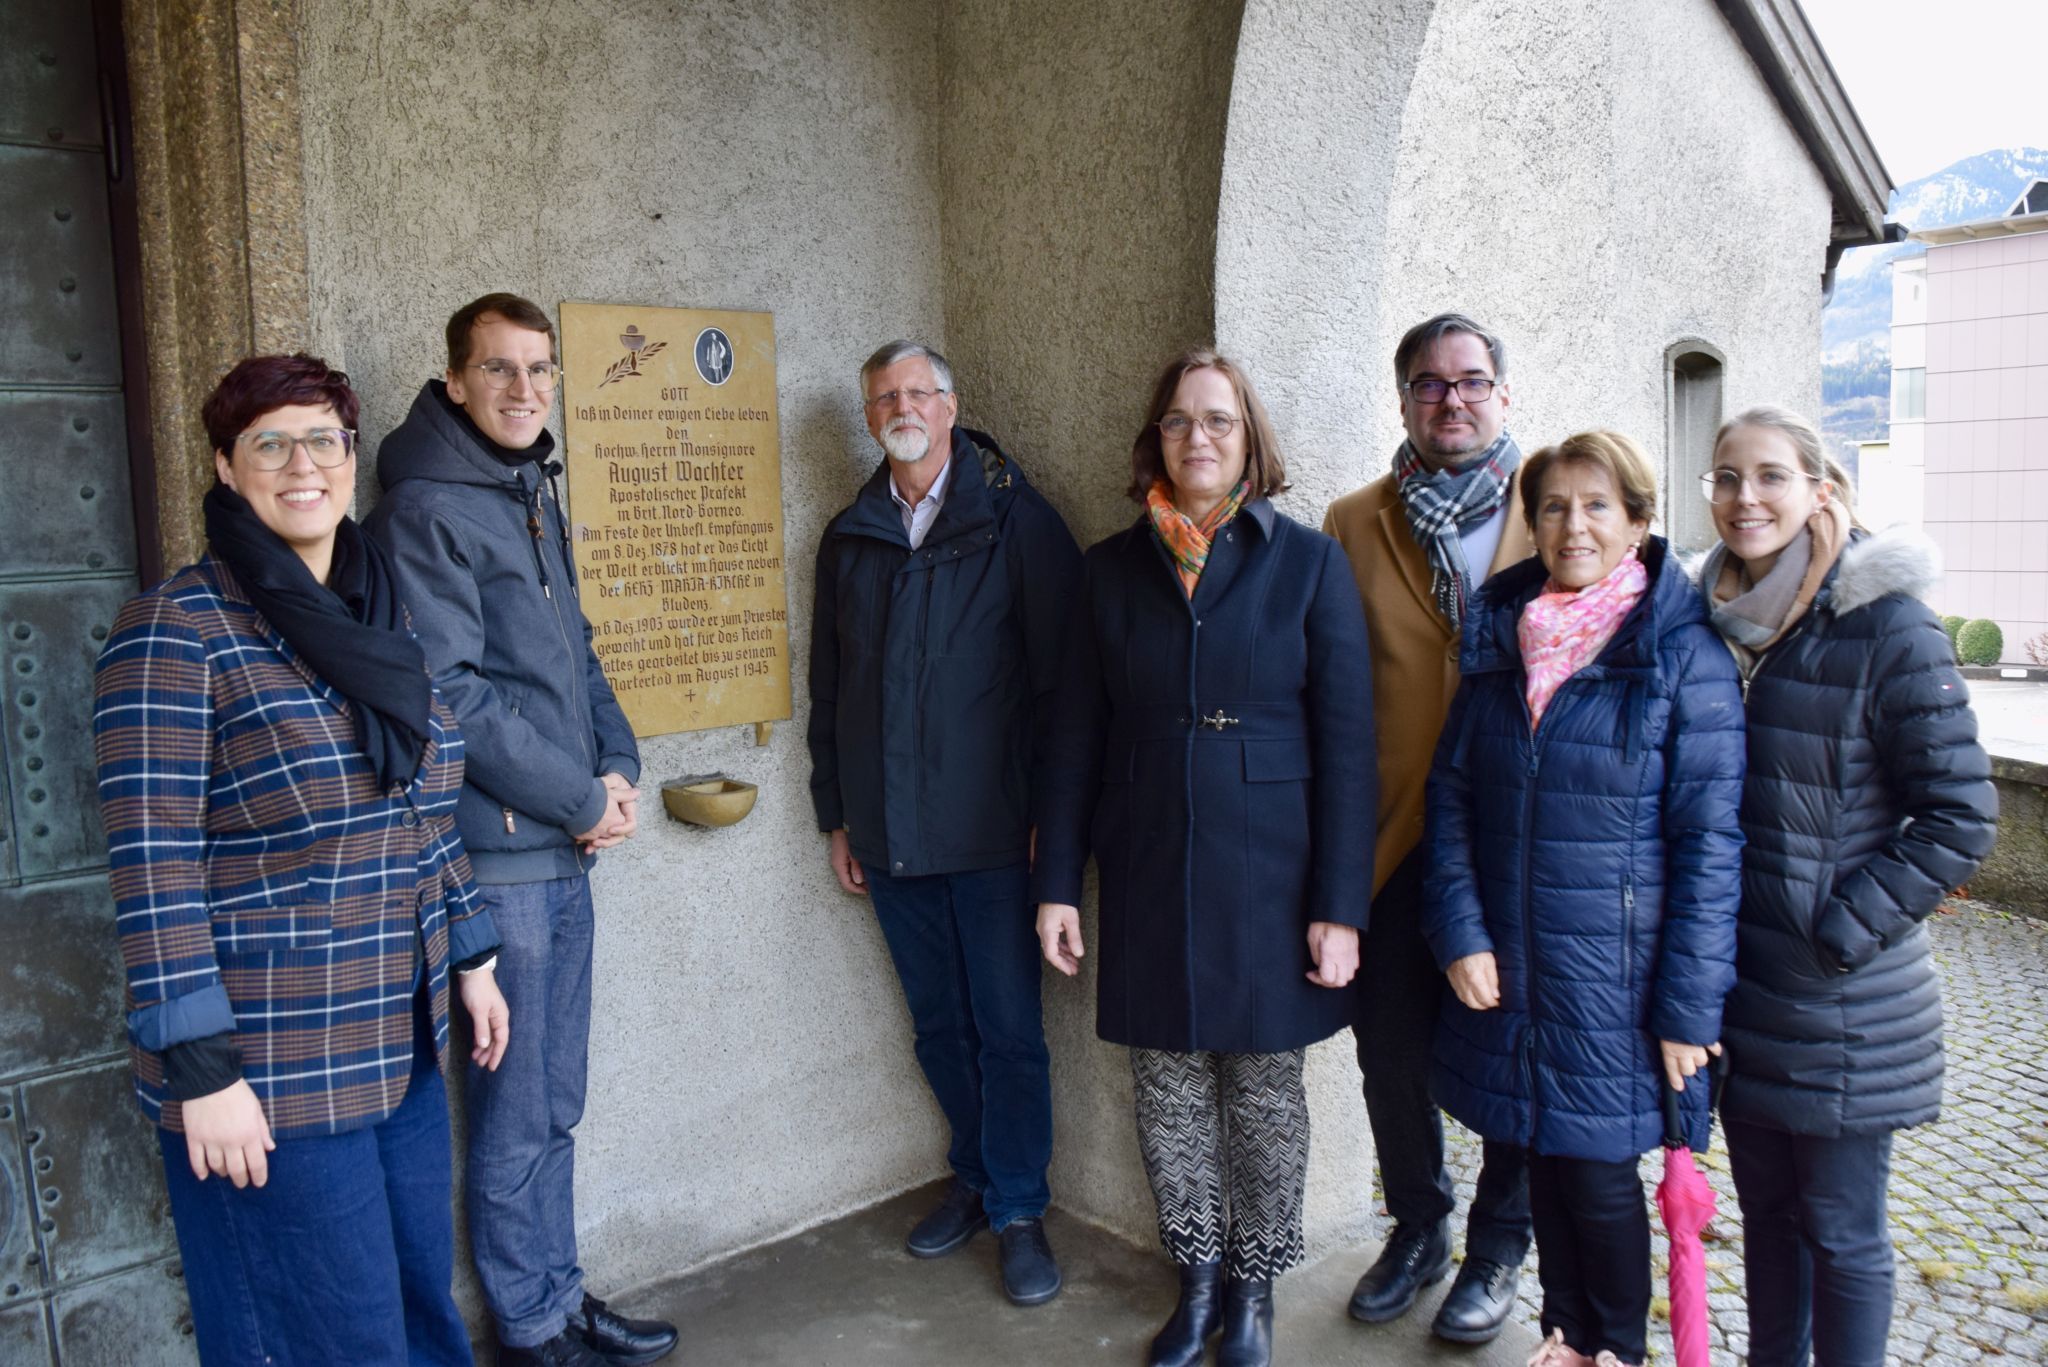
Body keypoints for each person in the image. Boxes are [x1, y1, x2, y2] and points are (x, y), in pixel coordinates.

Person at [91, 353, 509, 1364]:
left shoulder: (375, 614)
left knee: (416, 1313)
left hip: (395, 1046)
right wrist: (203, 1072)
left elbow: (420, 807)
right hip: (267, 1074)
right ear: (228, 471)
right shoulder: (176, 631)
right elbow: (152, 870)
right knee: (322, 1334)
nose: (300, 462)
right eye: (268, 442)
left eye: (322, 437)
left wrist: (473, 953)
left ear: (351, 457)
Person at [1034, 348, 1374, 1367]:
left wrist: (1339, 903)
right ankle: (1197, 1281)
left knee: (1265, 1091)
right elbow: (1071, 739)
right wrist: (1056, 885)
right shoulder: (1106, 570)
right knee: (1168, 1088)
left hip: (1275, 874)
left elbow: (1350, 747)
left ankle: (1257, 1285)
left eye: (1218, 420)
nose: (1198, 437)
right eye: (1180, 420)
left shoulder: (1307, 562)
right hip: (1147, 863)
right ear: (1157, 437)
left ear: (1248, 440)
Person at [365, 294, 675, 1367]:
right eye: (499, 370)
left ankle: (558, 1291)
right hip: (499, 858)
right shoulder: (427, 509)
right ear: (455, 381)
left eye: (539, 370)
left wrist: (620, 765)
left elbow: (574, 653)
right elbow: (447, 693)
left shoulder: (525, 486)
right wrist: (578, 799)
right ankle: (531, 1326)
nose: (523, 389)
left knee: (556, 1096)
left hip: (558, 841)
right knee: (514, 1110)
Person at [1421, 430, 1745, 1367]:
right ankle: (1565, 1335)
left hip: (1617, 983)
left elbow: (1711, 847)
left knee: (1600, 1180)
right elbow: (1450, 802)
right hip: (1512, 966)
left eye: (1598, 504)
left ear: (1641, 522)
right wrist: (1459, 932)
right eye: (1554, 506)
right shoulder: (1501, 640)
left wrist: (1689, 1009)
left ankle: (1617, 1351)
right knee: (1539, 1157)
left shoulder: (1679, 657)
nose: (1573, 525)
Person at [1700, 406, 1997, 1367]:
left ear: (1820, 490)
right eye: (1728, 477)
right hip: (1743, 994)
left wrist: (1839, 927)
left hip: (1841, 1000)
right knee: (1769, 1223)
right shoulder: (1720, 625)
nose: (1748, 498)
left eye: (1772, 476)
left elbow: (1959, 815)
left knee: (1842, 1232)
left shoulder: (1887, 625)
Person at [806, 339, 1082, 1305]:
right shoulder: (851, 535)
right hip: (888, 837)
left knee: (1008, 1030)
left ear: (951, 405)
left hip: (997, 837)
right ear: (869, 414)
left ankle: (1018, 1207)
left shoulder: (1017, 523)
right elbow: (831, 688)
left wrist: (1057, 825)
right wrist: (836, 814)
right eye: (883, 394)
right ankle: (974, 1173)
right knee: (936, 1027)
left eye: (916, 390)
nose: (899, 405)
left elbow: (1062, 692)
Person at [1320, 312, 1535, 1341]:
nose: (1450, 400)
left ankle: (1496, 1248)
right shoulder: (1352, 520)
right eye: (1426, 384)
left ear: (1501, 392)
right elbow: (1324, 687)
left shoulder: (1557, 506)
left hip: (1525, 841)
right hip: (1394, 833)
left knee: (1514, 1051)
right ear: (1402, 397)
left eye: (1470, 381)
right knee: (1389, 1046)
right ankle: (1417, 1225)